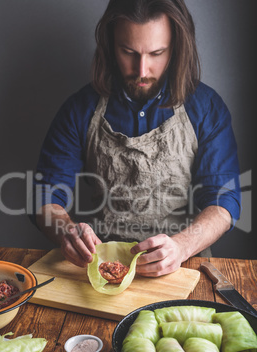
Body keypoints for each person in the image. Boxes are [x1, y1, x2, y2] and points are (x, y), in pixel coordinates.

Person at [31, 0, 241, 277]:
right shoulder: (79, 109)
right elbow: (45, 196)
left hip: (183, 264)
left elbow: (224, 202)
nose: (142, 70)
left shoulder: (206, 108)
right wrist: (67, 231)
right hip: (102, 264)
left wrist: (181, 246)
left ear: (176, 48)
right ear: (110, 44)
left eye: (157, 53)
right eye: (128, 52)